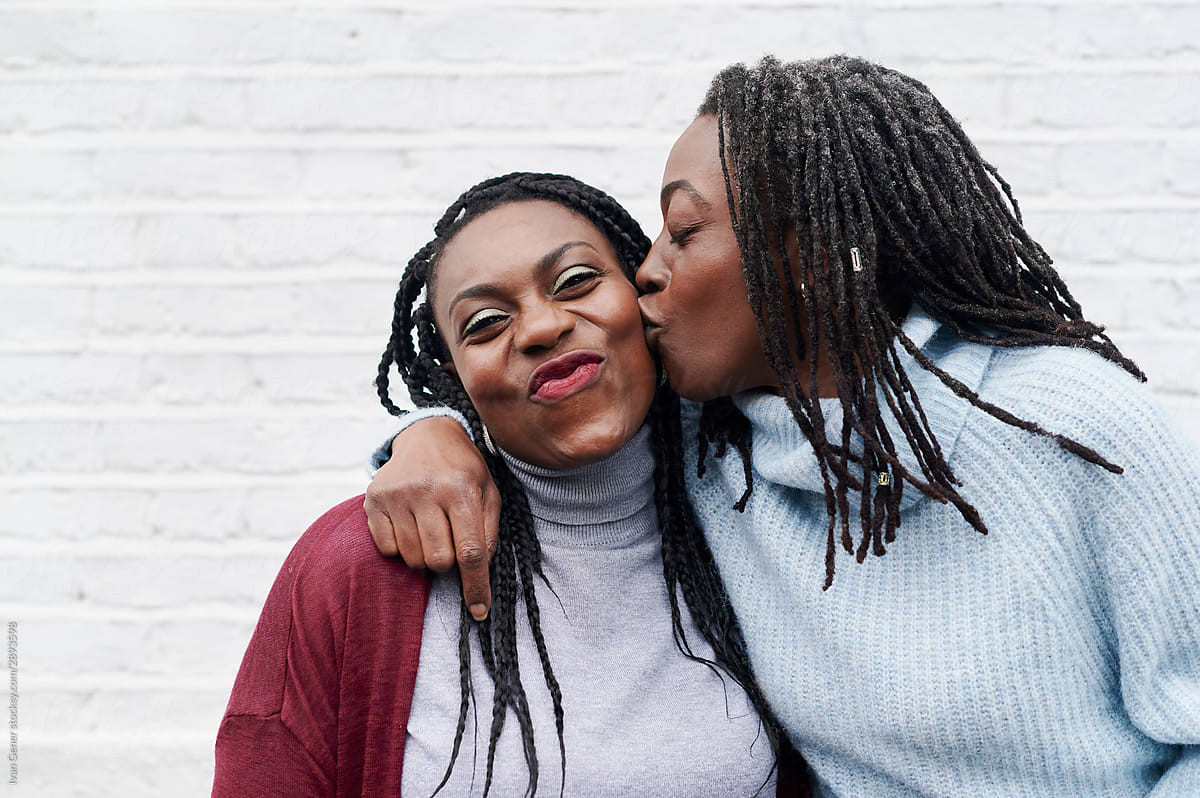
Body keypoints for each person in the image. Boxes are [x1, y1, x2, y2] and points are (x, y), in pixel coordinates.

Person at [364, 56, 1200, 796]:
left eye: (683, 232)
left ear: (803, 252)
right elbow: (548, 408)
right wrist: (431, 430)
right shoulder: (715, 448)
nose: (648, 270)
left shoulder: (1072, 427)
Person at [212, 172, 804, 797]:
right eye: (486, 323)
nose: (542, 328)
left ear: (641, 292)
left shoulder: (764, 512)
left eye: (576, 282)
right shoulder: (362, 564)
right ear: (454, 379)